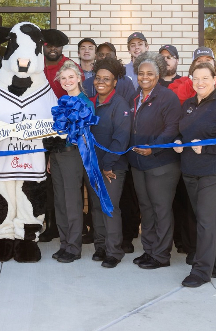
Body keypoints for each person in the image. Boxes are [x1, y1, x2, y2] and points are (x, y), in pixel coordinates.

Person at [173, 60, 216, 288]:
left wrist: (207, 147)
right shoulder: (189, 105)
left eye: (205, 78)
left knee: (205, 221)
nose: (200, 82)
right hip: (191, 171)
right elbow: (185, 132)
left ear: (215, 80)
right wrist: (178, 142)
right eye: (196, 78)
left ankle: (201, 271)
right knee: (207, 221)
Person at [128, 52, 182, 270]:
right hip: (139, 164)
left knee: (161, 209)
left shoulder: (167, 97)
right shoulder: (135, 96)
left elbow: (172, 129)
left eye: (150, 73)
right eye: (141, 73)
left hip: (161, 164)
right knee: (146, 208)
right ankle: (149, 250)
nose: (145, 77)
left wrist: (154, 148)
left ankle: (161, 255)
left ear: (158, 74)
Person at [85, 57, 132, 269]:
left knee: (109, 207)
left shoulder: (120, 104)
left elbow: (121, 138)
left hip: (111, 167)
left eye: (107, 79)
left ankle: (114, 251)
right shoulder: (91, 103)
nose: (101, 81)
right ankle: (101, 247)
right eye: (98, 78)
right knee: (96, 207)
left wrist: (108, 164)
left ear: (115, 82)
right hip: (92, 165)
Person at [47, 60, 94, 263]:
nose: (67, 81)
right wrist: (51, 156)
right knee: (60, 201)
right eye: (63, 78)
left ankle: (74, 247)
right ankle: (65, 243)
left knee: (72, 201)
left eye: (71, 77)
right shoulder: (61, 101)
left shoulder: (85, 102)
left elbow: (83, 135)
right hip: (58, 155)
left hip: (74, 155)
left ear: (78, 78)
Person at [43, 29, 77, 98]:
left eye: (57, 45)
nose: (53, 49)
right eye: (49, 45)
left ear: (62, 47)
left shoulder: (72, 67)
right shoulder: (35, 66)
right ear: (43, 46)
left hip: (64, 107)